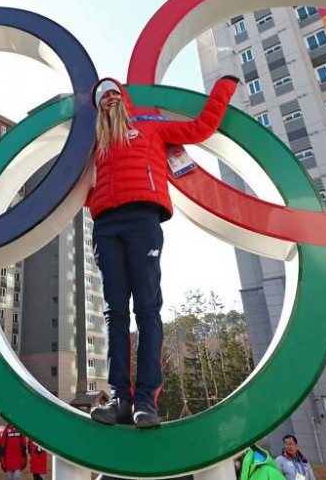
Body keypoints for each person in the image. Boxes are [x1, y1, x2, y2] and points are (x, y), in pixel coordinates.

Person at [87, 75, 239, 428]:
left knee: (147, 309)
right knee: (114, 313)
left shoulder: (150, 128)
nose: (108, 100)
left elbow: (200, 128)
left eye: (112, 93)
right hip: (106, 227)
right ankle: (119, 400)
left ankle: (146, 403)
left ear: (123, 98)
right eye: (101, 98)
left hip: (143, 220)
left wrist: (223, 90)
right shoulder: (95, 142)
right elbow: (73, 182)